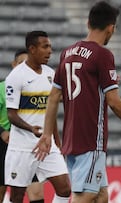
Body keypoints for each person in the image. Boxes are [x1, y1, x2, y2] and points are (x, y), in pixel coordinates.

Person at [33, 1, 121, 202]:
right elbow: (113, 101)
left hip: (72, 136)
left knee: (102, 196)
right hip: (91, 138)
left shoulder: (67, 53)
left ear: (88, 23)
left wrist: (48, 134)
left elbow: (53, 97)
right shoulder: (103, 55)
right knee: (86, 195)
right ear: (112, 28)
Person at [4, 31, 71, 203]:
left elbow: (51, 112)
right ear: (32, 49)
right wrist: (31, 128)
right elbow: (11, 115)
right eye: (45, 46)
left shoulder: (50, 74)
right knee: (17, 196)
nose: (50, 51)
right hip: (22, 147)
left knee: (65, 189)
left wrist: (57, 141)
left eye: (50, 46)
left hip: (47, 145)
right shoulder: (16, 76)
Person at [0, 49, 51, 203]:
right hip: (4, 145)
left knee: (36, 193)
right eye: (21, 63)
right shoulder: (3, 87)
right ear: (13, 64)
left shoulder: (34, 88)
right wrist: (2, 131)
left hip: (27, 143)